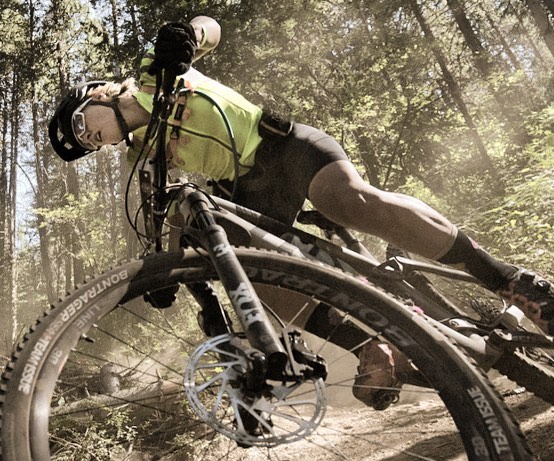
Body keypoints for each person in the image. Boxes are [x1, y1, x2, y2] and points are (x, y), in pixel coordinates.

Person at [48, 16, 553, 406]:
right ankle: (371, 349)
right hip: (248, 190)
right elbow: (163, 216)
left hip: (284, 149)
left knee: (348, 200)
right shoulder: (144, 157)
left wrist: (185, 34)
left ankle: (509, 280)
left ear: (95, 94)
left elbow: (210, 30)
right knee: (264, 278)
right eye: (84, 145)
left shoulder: (151, 72)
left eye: (79, 125)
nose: (87, 139)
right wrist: (163, 268)